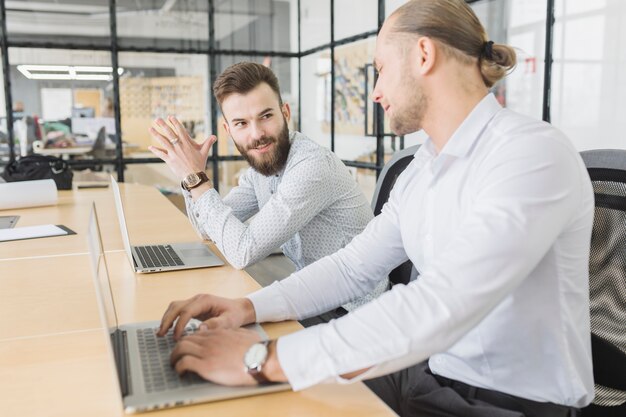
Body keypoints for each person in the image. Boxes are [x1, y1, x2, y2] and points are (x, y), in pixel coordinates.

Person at [156, 1, 595, 416]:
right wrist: (248, 309)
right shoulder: (425, 166)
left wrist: (262, 358)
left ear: (423, 55)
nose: (376, 92)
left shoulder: (531, 153)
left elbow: (446, 302)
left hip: (506, 402)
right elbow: (351, 268)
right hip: (427, 372)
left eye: (381, 70)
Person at [148, 62, 388, 324]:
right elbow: (206, 230)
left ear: (285, 113)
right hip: (317, 298)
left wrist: (197, 181)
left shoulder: (312, 166)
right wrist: (190, 176)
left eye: (266, 116)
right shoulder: (260, 171)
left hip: (359, 313)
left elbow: (243, 251)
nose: (257, 134)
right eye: (241, 123)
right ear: (228, 131)